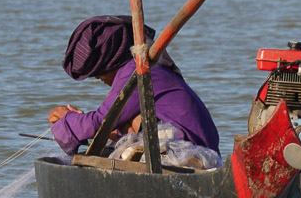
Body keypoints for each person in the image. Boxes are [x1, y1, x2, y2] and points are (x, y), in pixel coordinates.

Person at [47, 15, 220, 158]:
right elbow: (107, 122)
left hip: (192, 153)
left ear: (110, 62)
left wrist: (67, 119)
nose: (99, 79)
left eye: (98, 75)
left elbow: (101, 121)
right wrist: (85, 124)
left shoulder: (140, 73)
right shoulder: (140, 69)